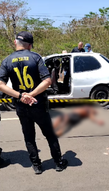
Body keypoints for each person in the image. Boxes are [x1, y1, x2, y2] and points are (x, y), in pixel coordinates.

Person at [0, 31, 68, 174]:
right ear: (30, 45)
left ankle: (36, 165)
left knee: (29, 136)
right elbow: (47, 81)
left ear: (15, 43)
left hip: (21, 105)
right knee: (49, 134)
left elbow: (1, 85)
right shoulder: (35, 57)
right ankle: (58, 162)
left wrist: (21, 96)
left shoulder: (6, 61)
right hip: (38, 103)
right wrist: (31, 95)